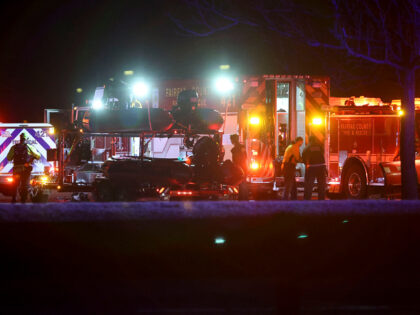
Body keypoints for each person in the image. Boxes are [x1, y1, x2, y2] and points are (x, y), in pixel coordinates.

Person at [6, 133, 41, 203]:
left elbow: (9, 158)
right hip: (25, 169)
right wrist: (33, 157)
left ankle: (14, 199)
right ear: (26, 139)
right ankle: (23, 200)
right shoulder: (29, 146)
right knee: (25, 185)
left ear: (20, 138)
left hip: (16, 169)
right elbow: (38, 156)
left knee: (15, 184)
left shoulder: (14, 147)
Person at [302, 136, 326, 200]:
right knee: (321, 184)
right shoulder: (320, 146)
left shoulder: (307, 147)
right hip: (321, 166)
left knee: (309, 184)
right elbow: (323, 153)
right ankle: (321, 199)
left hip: (312, 167)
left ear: (309, 140)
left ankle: (307, 199)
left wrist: (306, 164)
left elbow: (303, 157)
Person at [230, 134, 248, 200]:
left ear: (233, 140)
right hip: (244, 167)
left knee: (239, 183)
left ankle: (241, 199)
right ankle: (244, 198)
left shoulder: (234, 150)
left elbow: (234, 160)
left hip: (238, 168)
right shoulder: (242, 147)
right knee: (243, 184)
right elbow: (245, 157)